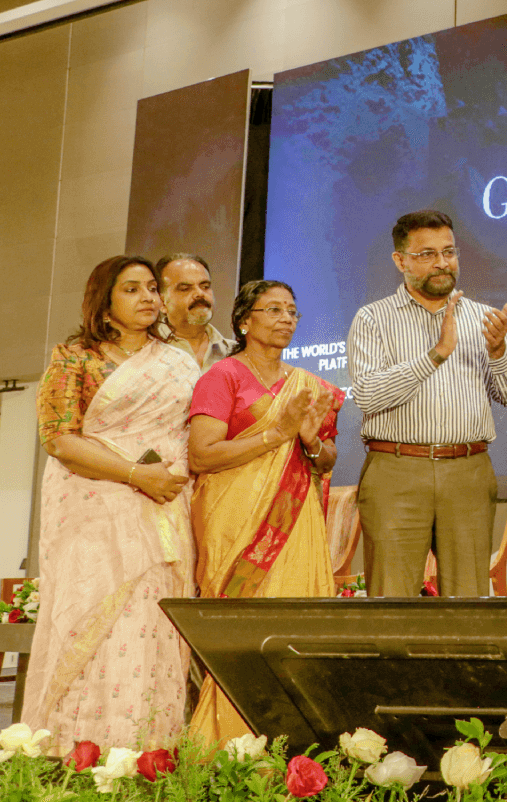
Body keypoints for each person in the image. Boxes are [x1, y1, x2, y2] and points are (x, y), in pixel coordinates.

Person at [24, 255, 198, 753]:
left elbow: (190, 433)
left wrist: (165, 477)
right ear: (105, 301)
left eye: (151, 288)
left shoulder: (179, 361)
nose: (148, 297)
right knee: (94, 618)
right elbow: (57, 439)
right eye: (131, 289)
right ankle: (79, 751)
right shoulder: (75, 357)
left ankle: (149, 752)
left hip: (164, 506)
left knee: (154, 626)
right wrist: (134, 474)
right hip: (94, 511)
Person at [187, 279, 344, 743]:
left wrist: (312, 442)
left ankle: (297, 745)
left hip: (296, 523)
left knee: (296, 629)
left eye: (292, 311)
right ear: (244, 321)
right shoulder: (224, 377)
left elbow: (326, 462)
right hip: (233, 520)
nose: (285, 319)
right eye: (272, 309)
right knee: (241, 635)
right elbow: (202, 455)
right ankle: (227, 743)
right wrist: (277, 435)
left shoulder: (310, 388)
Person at [347, 209, 507, 597]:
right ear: (400, 261)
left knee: (469, 602)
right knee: (391, 601)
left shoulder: (484, 319)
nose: (442, 263)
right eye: (427, 254)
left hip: (468, 470)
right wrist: (434, 355)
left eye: (448, 252)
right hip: (396, 470)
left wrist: (498, 352)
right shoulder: (373, 318)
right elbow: (367, 395)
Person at [155, 252, 232, 370]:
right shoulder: (145, 350)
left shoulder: (235, 353)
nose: (200, 294)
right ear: (162, 302)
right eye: (185, 289)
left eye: (205, 286)